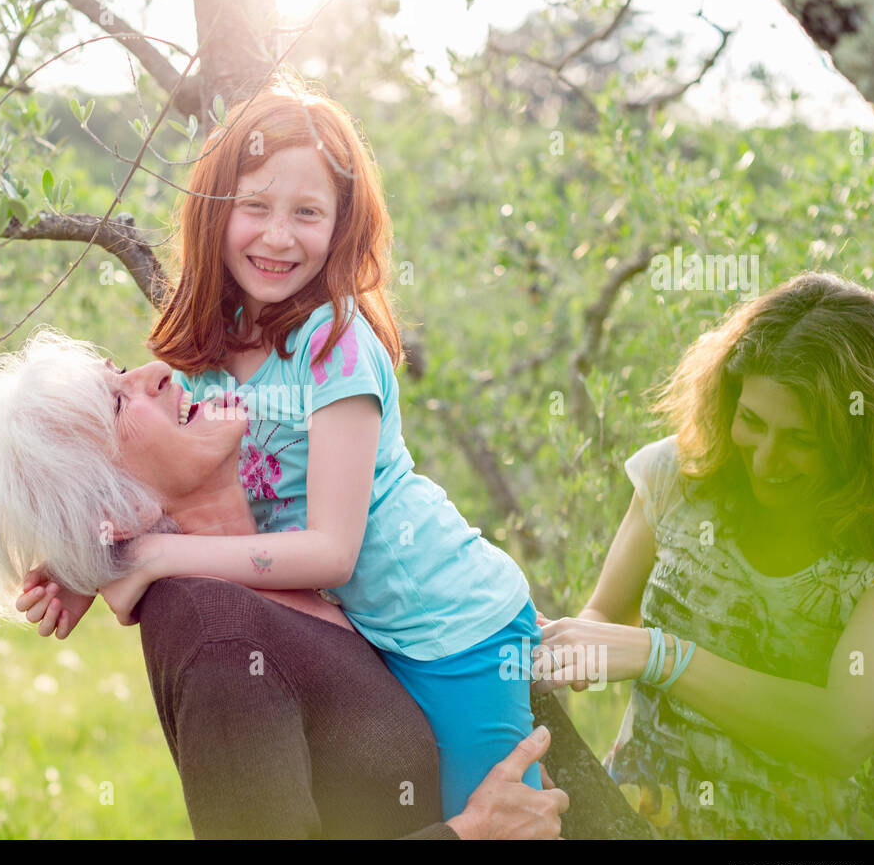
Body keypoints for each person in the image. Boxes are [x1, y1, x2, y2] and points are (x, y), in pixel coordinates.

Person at [44, 74, 543, 821]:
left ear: (342, 227)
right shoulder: (210, 354)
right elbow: (158, 468)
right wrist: (81, 563)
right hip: (364, 634)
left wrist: (152, 559)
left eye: (307, 213)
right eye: (256, 207)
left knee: (500, 823)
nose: (279, 238)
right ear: (215, 213)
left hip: (452, 632)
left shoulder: (334, 342)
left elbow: (331, 553)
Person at [0, 329, 569, 838]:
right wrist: (472, 834)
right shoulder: (218, 642)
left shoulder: (291, 538)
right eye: (116, 402)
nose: (157, 370)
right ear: (119, 507)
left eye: (119, 372)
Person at [533, 272, 874, 839]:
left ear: (860, 435)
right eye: (752, 423)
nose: (765, 459)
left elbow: (842, 731)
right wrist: (571, 646)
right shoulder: (675, 476)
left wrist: (665, 657)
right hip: (633, 822)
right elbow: (608, 612)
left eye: (801, 440)